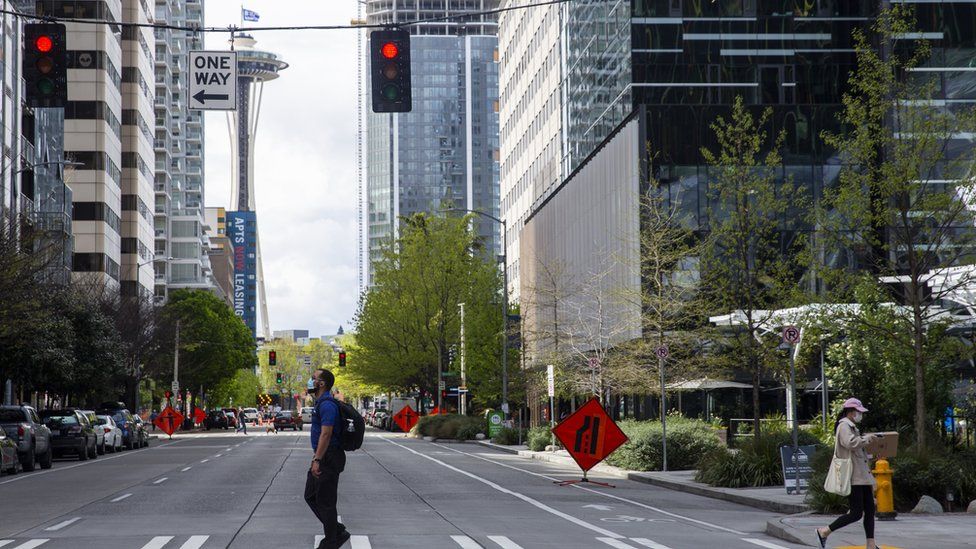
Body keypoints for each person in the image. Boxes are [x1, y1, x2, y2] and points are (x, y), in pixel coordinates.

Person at [817, 398, 880, 549]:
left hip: (863, 476)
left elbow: (857, 451)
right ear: (851, 412)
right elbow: (851, 443)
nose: (861, 415)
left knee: (870, 510)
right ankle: (824, 531)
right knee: (856, 513)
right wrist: (866, 438)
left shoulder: (852, 427)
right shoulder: (844, 426)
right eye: (859, 412)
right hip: (854, 477)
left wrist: (872, 452)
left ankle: (871, 544)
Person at [304, 369, 350, 549]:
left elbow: (326, 434)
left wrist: (317, 459)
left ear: (321, 384)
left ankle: (331, 541)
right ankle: (337, 531)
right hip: (324, 455)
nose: (310, 381)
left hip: (329, 456)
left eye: (313, 378)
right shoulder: (321, 403)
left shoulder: (327, 405)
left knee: (325, 502)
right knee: (311, 495)